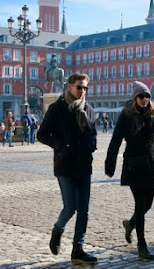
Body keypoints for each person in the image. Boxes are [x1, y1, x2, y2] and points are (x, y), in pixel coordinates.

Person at [105, 81, 154, 261]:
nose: (144, 99)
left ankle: (130, 224)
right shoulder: (126, 116)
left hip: (150, 163)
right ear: (135, 98)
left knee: (148, 203)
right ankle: (142, 245)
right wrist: (110, 165)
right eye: (141, 96)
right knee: (139, 202)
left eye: (147, 96)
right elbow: (115, 141)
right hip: (133, 164)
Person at [37, 73, 98, 265]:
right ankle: (58, 229)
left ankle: (77, 249)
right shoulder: (57, 108)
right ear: (70, 86)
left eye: (85, 88)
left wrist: (91, 146)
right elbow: (42, 134)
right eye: (79, 87)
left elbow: (93, 133)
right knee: (71, 206)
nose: (82, 91)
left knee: (84, 210)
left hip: (83, 164)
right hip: (64, 165)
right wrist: (61, 146)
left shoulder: (88, 109)